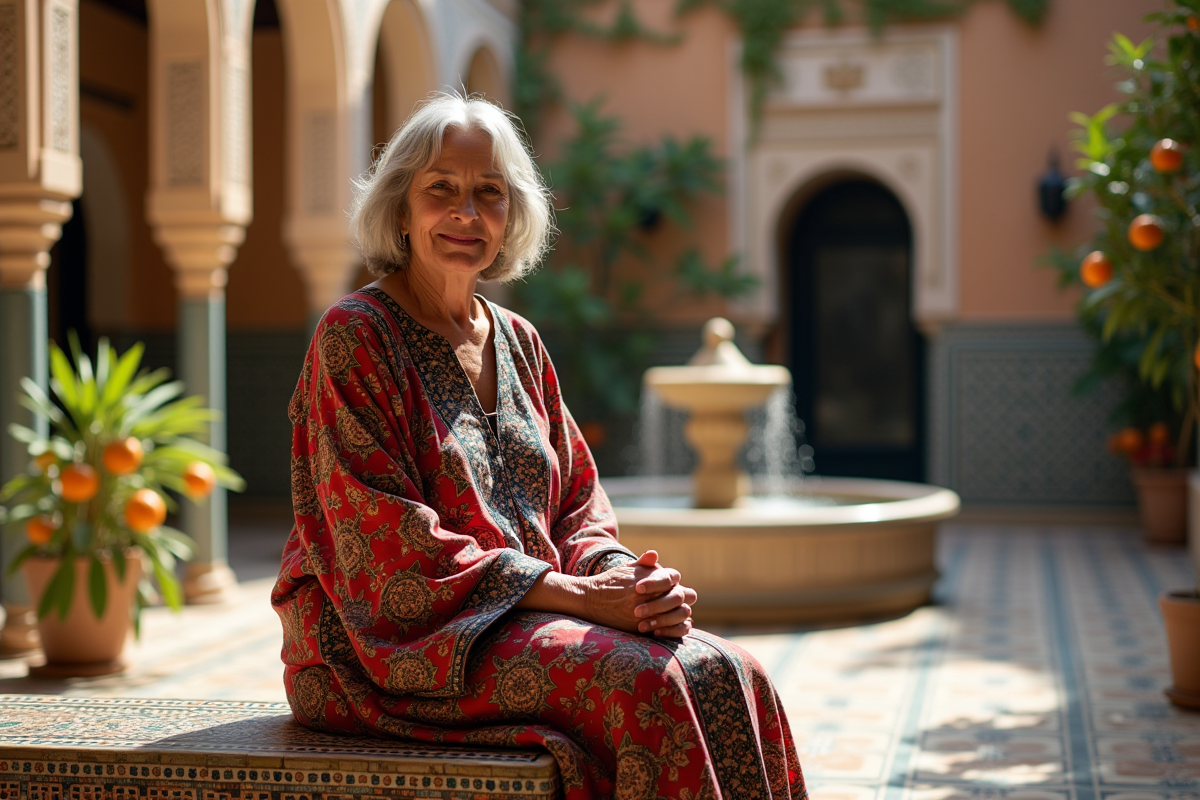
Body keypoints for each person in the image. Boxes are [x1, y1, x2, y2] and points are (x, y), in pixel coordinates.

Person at [272, 91, 806, 800]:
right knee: (647, 685)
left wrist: (629, 584)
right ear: (401, 207)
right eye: (442, 190)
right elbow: (385, 549)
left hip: (528, 615)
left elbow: (579, 507)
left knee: (735, 670)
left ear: (511, 214)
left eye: (488, 193)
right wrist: (582, 599)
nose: (467, 214)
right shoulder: (355, 336)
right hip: (381, 648)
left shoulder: (520, 342)